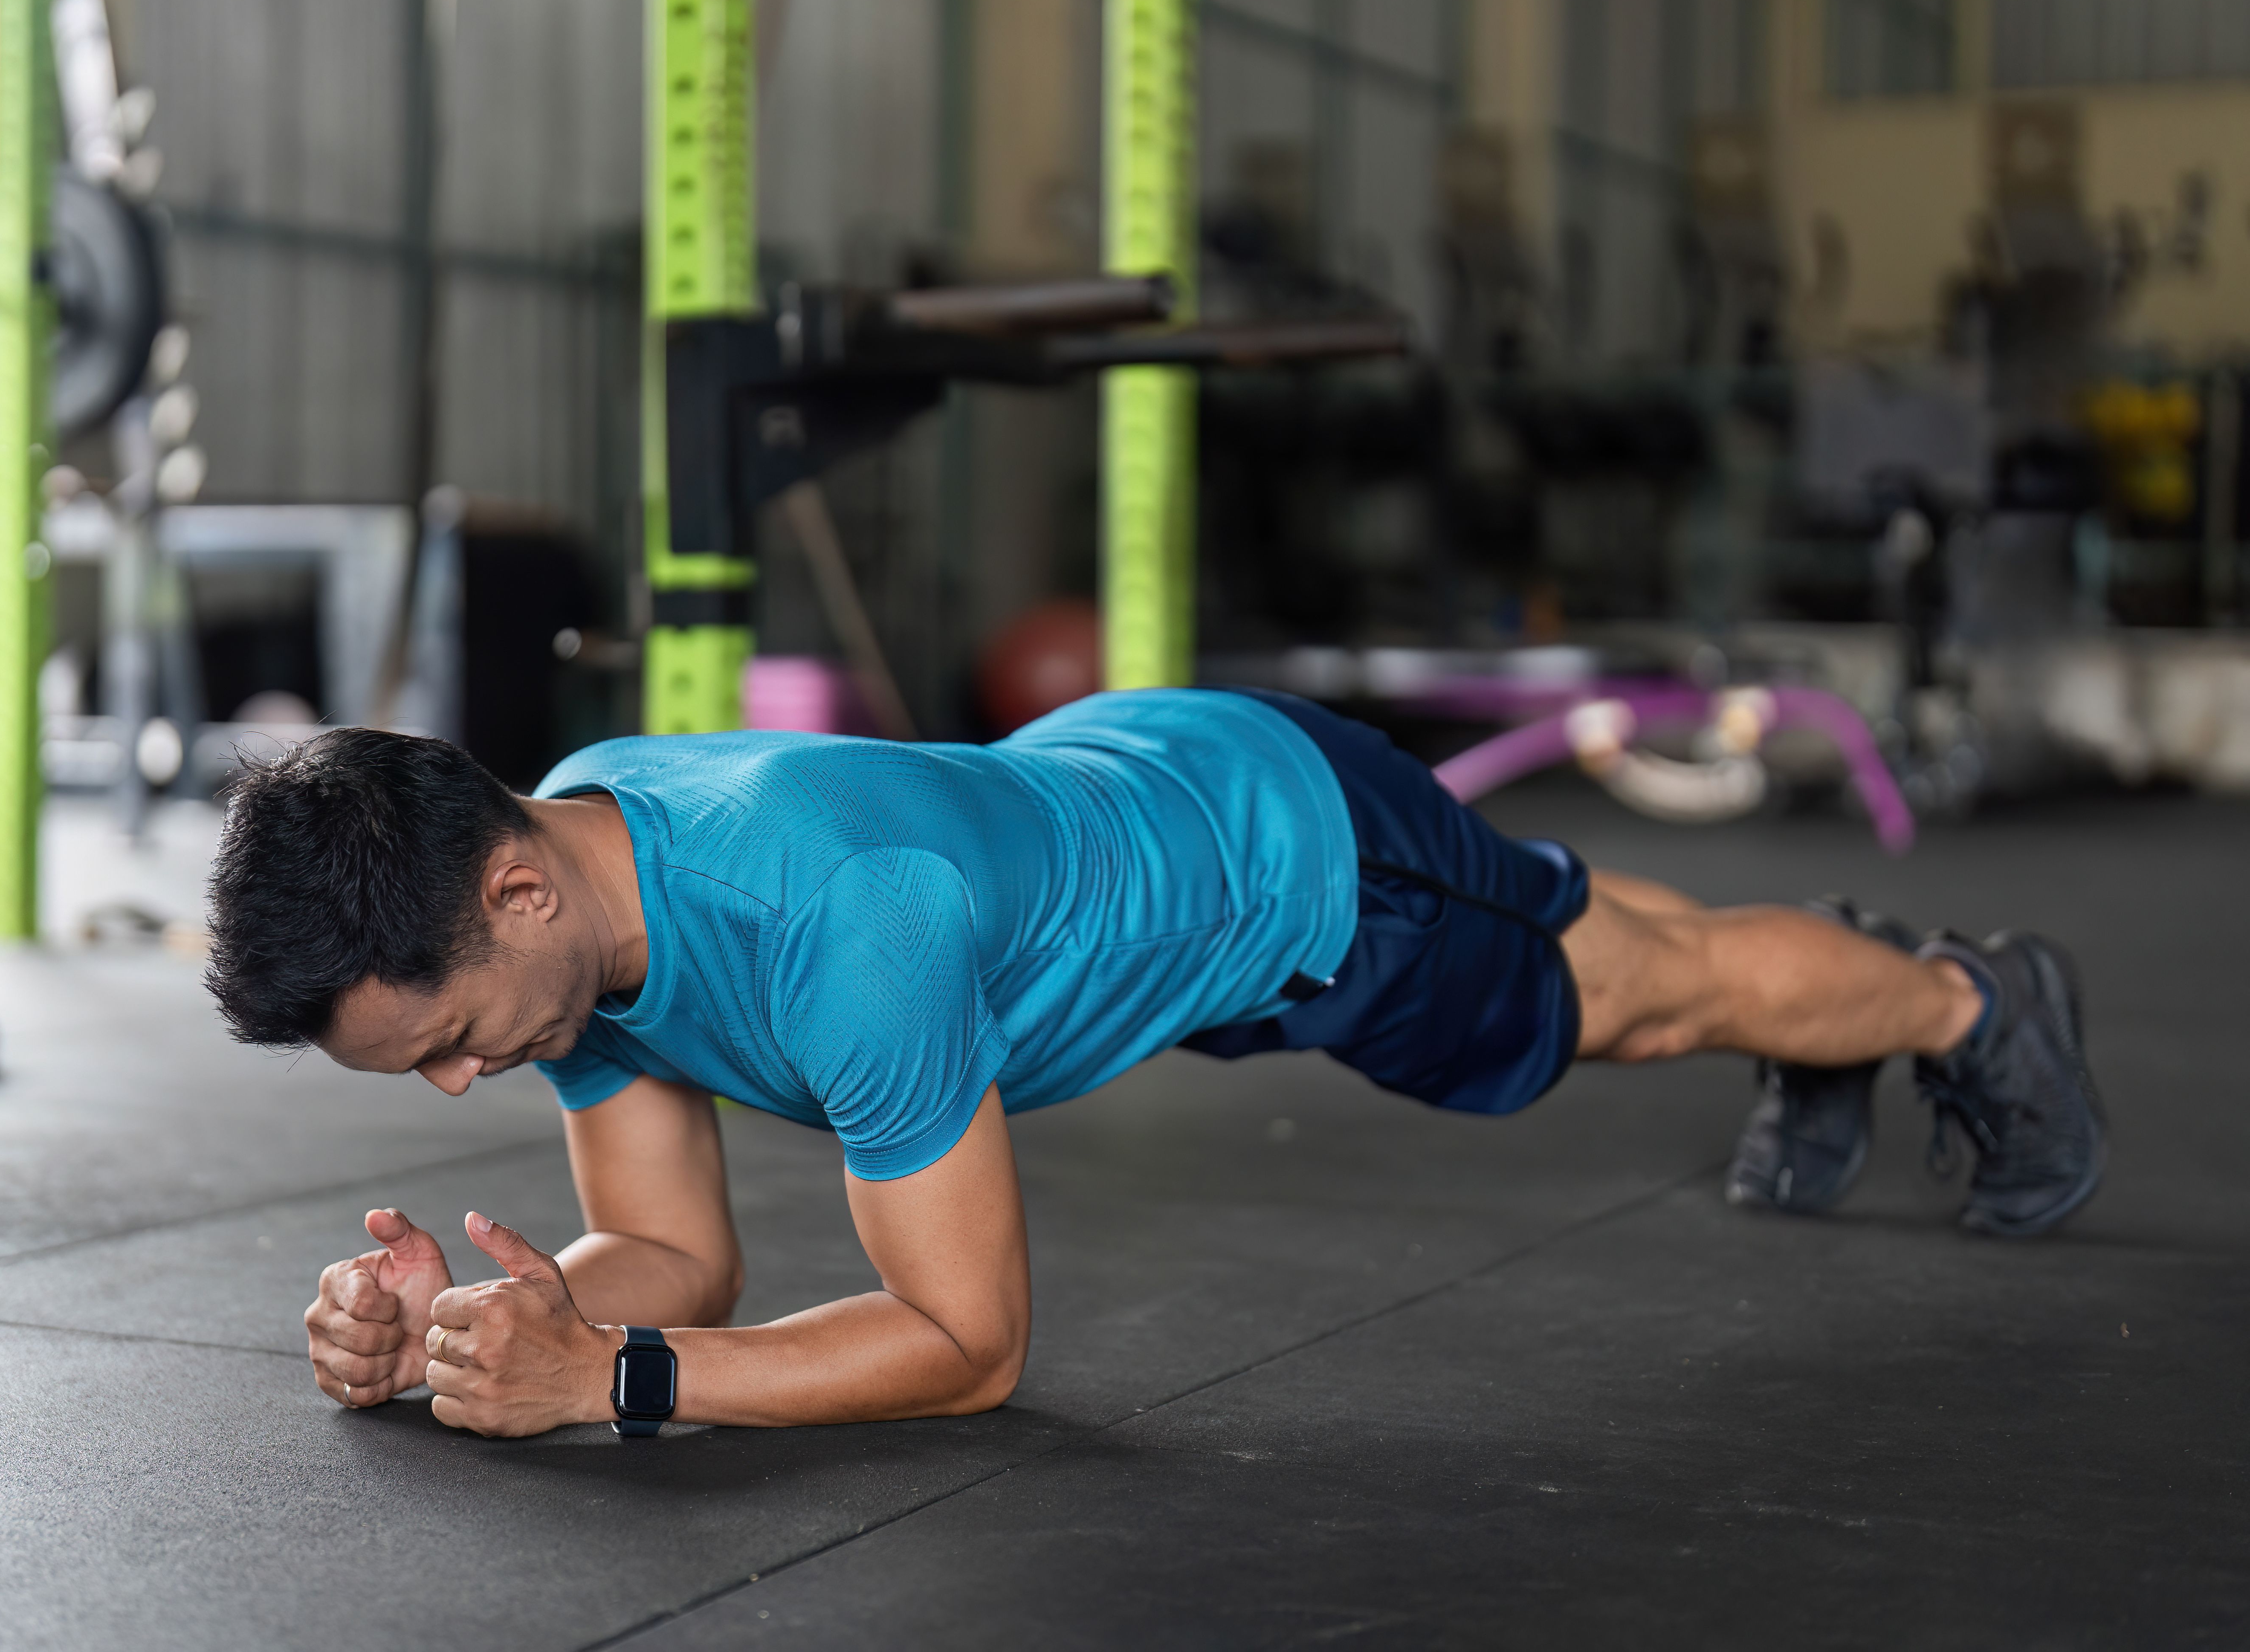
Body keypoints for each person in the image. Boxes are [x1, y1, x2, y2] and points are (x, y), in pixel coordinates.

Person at [203, 689, 2106, 1440]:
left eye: (450, 1045)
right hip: (1112, 813)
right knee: (1635, 958)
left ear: (517, 889)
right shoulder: (571, 897)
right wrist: (474, 1325)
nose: (466, 1084)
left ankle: (1964, 1004)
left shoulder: (840, 921)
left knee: (1648, 997)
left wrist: (608, 1384)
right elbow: (678, 1260)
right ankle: (1848, 1025)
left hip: (1286, 864)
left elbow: (973, 1346)